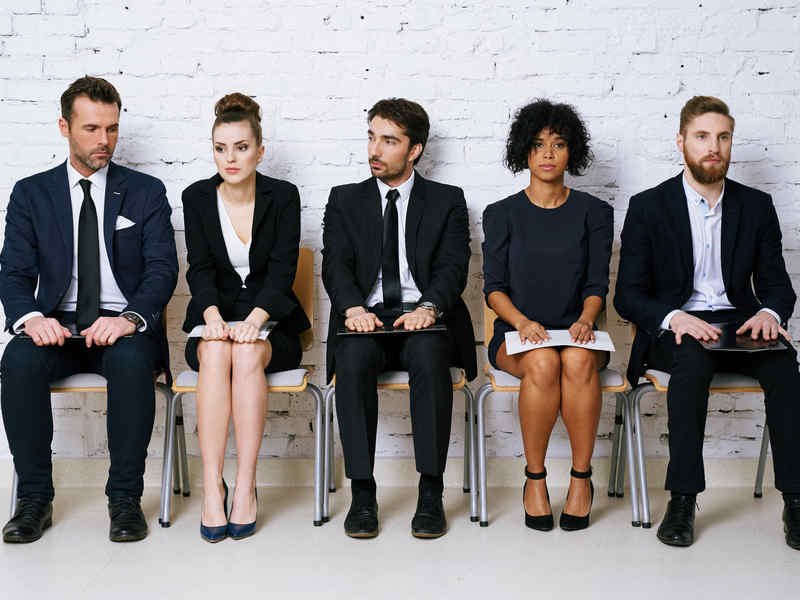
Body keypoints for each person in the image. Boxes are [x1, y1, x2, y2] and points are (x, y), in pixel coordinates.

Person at [615, 96, 800, 550]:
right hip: (679, 328)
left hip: (740, 324)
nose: (713, 147)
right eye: (702, 136)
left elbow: (778, 286)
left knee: (785, 368)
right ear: (681, 142)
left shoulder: (756, 205)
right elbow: (628, 295)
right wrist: (675, 317)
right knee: (691, 366)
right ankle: (683, 499)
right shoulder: (649, 206)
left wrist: (769, 314)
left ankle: (795, 500)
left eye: (722, 137)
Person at [0, 76, 178, 543]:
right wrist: (32, 319)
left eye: (112, 128)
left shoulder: (145, 191)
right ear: (65, 127)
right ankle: (33, 500)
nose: (105, 140)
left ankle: (124, 500)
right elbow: (13, 271)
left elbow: (162, 269)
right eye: (92, 128)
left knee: (133, 360)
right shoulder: (31, 193)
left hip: (121, 326)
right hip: (57, 326)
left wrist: (129, 319)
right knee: (18, 360)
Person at [322, 98, 476, 539]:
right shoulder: (345, 199)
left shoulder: (447, 200)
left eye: (389, 141)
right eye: (372, 137)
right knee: (353, 361)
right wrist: (353, 309)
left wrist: (428, 307)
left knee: (429, 357)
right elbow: (335, 265)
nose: (375, 149)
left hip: (422, 316)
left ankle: (430, 492)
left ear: (414, 150)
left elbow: (453, 267)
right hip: (364, 317)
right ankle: (362, 494)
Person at [181, 93, 310, 542]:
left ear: (259, 150)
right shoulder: (196, 197)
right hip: (214, 320)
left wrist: (256, 318)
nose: (230, 158)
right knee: (217, 353)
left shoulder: (283, 196)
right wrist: (212, 315)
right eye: (221, 148)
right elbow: (198, 268)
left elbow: (283, 269)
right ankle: (212, 488)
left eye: (240, 147)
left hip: (273, 323)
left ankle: (244, 486)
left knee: (248, 353)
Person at [482, 99, 613, 532]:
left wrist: (586, 320)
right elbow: (493, 288)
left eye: (558, 144)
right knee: (542, 361)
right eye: (538, 145)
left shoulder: (595, 212)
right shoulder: (501, 214)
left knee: (574, 358)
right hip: (517, 333)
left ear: (572, 151)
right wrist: (522, 322)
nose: (548, 154)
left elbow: (597, 284)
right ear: (524, 151)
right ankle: (535, 479)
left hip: (580, 333)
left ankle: (580, 479)